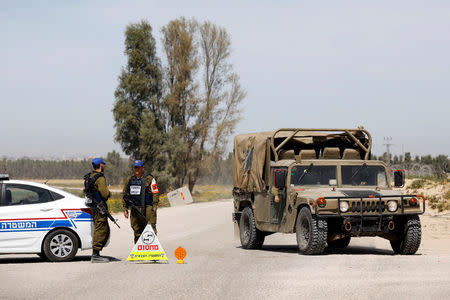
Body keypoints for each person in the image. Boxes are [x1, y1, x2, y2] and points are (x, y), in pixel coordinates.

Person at [122, 160, 159, 243]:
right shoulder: (130, 179)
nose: (136, 169)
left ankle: (151, 251)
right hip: (135, 209)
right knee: (136, 230)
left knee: (150, 229)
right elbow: (125, 194)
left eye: (138, 167)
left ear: (142, 168)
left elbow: (155, 192)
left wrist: (155, 205)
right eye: (135, 167)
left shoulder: (150, 179)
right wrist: (125, 208)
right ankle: (139, 250)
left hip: (148, 207)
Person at [84, 157, 111, 263]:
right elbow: (104, 193)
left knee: (101, 228)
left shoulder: (89, 176)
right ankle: (95, 255)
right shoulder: (100, 178)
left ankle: (97, 253)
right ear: (101, 165)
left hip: (93, 206)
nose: (103, 166)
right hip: (100, 207)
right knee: (101, 229)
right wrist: (109, 193)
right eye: (103, 165)